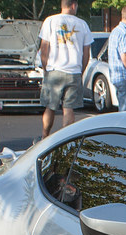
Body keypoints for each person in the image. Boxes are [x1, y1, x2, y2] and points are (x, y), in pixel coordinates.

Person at [38, 0, 93, 138]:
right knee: (69, 109)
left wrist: (46, 68)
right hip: (74, 71)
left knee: (50, 107)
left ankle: (45, 136)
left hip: (54, 70)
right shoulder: (82, 24)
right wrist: (81, 70)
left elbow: (44, 48)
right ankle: (64, 140)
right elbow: (86, 52)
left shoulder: (49, 21)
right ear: (74, 5)